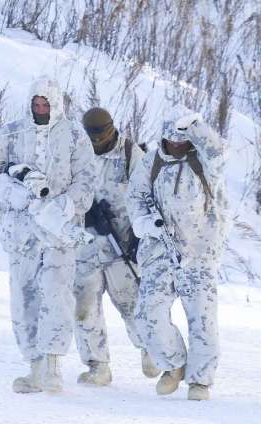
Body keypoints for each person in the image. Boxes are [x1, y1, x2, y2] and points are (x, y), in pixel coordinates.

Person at [0, 76, 95, 394]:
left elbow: (87, 179)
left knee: (57, 296)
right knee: (24, 298)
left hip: (59, 233)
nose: (41, 109)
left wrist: (66, 204)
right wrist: (9, 191)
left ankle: (53, 366)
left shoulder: (74, 136)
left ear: (57, 105)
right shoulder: (12, 133)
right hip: (21, 232)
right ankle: (35, 368)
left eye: (46, 104)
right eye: (36, 104)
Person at [126, 110, 228, 401]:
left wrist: (197, 126)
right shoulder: (152, 161)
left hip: (199, 251)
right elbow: (135, 199)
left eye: (182, 141)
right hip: (160, 250)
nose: (176, 146)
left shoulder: (204, 161)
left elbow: (219, 152)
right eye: (172, 141)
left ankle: (200, 381)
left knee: (202, 318)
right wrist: (148, 224)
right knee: (147, 313)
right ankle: (174, 365)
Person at [74, 107, 160, 386]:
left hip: (121, 245)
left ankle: (150, 350)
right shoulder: (76, 153)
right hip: (85, 247)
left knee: (131, 303)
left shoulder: (130, 154)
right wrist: (82, 212)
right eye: (91, 134)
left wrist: (138, 235)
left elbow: (148, 195)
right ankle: (98, 366)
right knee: (84, 307)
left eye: (101, 133)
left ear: (111, 128)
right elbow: (62, 189)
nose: (96, 139)